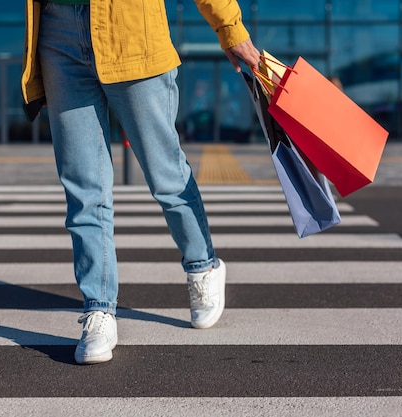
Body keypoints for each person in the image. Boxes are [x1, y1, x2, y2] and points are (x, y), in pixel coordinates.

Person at [21, 0, 260, 364]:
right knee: (84, 190)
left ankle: (202, 265)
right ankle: (99, 309)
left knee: (166, 174)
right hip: (58, 33)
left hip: (131, 30)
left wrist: (230, 28)